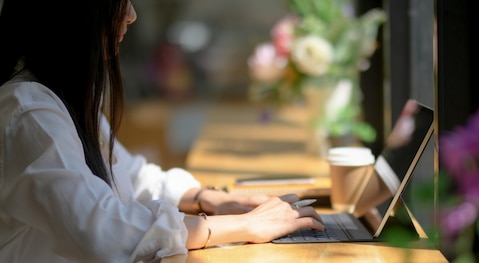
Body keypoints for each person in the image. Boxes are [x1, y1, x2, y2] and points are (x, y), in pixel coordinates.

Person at [0, 0, 324, 262]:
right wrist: (242, 225)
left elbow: (131, 177)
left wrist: (210, 200)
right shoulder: (29, 111)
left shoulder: (57, 95)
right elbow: (101, 233)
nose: (131, 15)